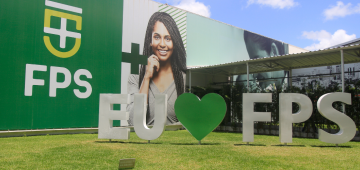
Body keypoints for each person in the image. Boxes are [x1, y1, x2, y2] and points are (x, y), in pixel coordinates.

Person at [127, 12, 186, 126]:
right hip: (145, 142)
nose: (162, 44)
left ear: (175, 42)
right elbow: (133, 121)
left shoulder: (183, 78)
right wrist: (147, 77)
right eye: (157, 37)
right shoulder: (135, 78)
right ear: (150, 40)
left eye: (168, 38)